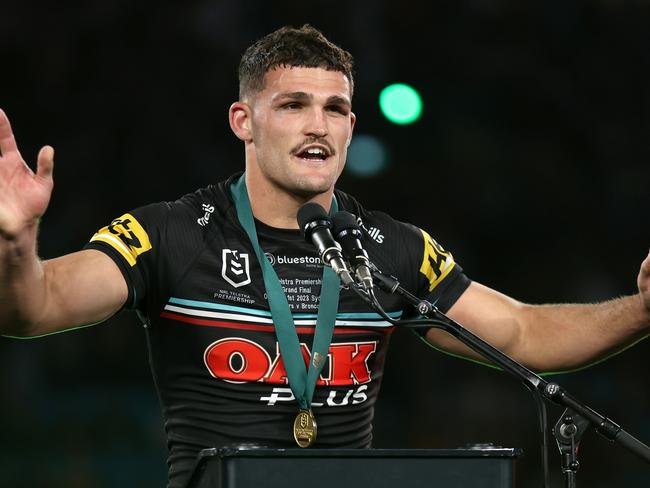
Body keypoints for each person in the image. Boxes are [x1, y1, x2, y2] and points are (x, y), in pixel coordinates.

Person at [1, 24, 649, 488]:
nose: (319, 124)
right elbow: (36, 308)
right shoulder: (174, 232)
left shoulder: (390, 249)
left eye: (335, 108)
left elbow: (524, 332)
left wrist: (643, 311)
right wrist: (14, 244)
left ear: (350, 127)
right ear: (243, 120)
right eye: (293, 105)